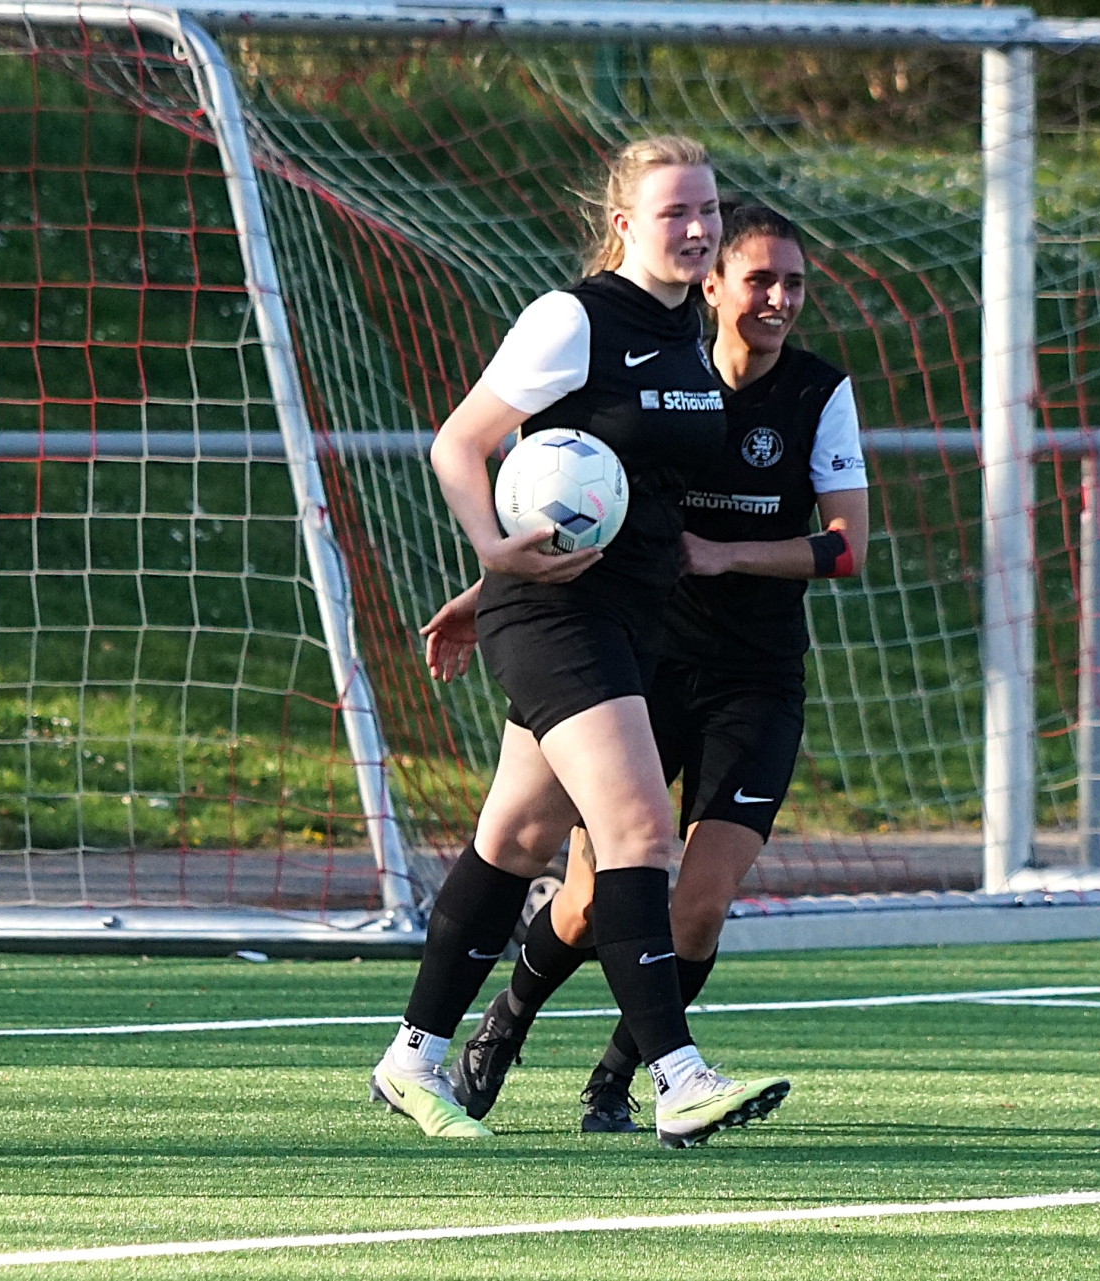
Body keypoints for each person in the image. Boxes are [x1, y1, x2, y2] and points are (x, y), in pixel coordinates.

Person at [368, 137, 789, 1149]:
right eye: (676, 212)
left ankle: (412, 1058)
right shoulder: (573, 319)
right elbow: (460, 443)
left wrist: (482, 589)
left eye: (708, 211)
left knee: (516, 841)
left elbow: (618, 494)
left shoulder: (686, 331)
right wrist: (492, 553)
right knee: (639, 830)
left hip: (626, 616)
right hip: (558, 617)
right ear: (623, 224)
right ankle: (679, 1078)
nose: (698, 229)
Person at [421, 204, 869, 1133]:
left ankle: (625, 1078)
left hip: (755, 676)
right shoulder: (666, 376)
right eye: (760, 280)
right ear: (714, 286)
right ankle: (502, 1025)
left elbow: (845, 547)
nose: (779, 300)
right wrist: (488, 584)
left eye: (794, 283)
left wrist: (727, 554)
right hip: (644, 656)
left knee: (697, 906)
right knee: (587, 895)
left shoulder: (818, 393)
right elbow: (598, 512)